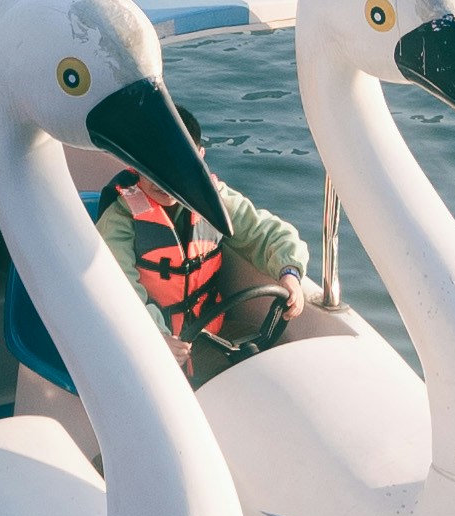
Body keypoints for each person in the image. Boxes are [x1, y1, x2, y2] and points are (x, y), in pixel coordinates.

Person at [95, 143, 306, 381]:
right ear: (134, 163)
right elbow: (118, 292)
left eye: (175, 167)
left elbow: (268, 233)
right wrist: (155, 338)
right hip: (150, 346)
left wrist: (290, 272)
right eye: (151, 167)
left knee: (284, 366)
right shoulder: (119, 220)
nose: (163, 180)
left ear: (198, 158)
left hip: (213, 334)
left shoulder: (214, 200)